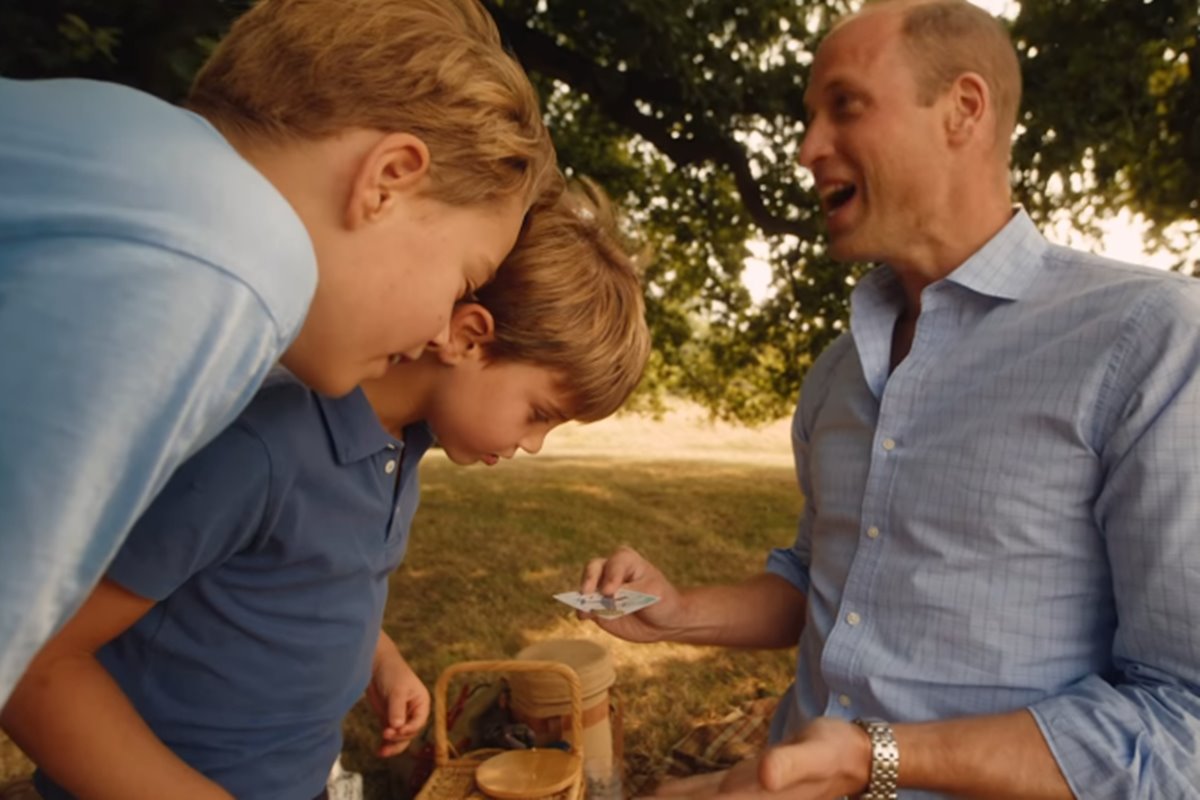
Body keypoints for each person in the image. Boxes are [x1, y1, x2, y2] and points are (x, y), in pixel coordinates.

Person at [579, 1, 1200, 798]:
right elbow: (823, 585)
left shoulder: (1148, 338)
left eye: (845, 105)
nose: (807, 149)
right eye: (809, 117)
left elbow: (1181, 726)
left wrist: (870, 759)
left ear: (963, 110)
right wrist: (679, 612)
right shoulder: (838, 373)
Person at [0, 182, 651, 800]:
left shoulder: (402, 446)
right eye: (540, 413)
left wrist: (381, 659)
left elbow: (307, 575)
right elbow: (37, 662)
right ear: (468, 336)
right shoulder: (259, 449)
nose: (531, 445)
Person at [0, 0, 558, 705]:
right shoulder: (227, 263)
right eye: (465, 279)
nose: (440, 326)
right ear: (387, 181)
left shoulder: (122, 146)